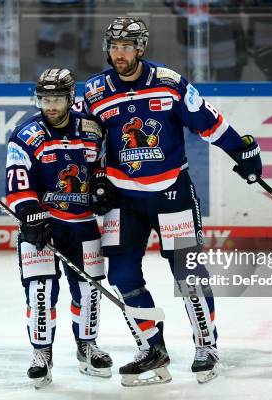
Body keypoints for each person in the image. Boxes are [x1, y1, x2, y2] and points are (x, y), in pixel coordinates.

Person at [82, 16, 262, 386]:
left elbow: (210, 122)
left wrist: (241, 151)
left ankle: (206, 346)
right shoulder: (94, 92)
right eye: (114, 47)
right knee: (122, 274)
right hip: (123, 200)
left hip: (172, 195)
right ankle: (152, 348)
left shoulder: (169, 83)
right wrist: (95, 180)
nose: (119, 54)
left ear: (141, 48)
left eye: (127, 47)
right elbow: (87, 145)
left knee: (188, 273)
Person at [5, 68, 113, 388]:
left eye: (56, 98)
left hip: (83, 226)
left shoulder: (92, 129)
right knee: (40, 292)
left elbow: (101, 168)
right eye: (44, 99)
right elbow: (17, 184)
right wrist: (29, 213)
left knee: (89, 291)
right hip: (42, 227)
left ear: (70, 98)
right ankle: (42, 353)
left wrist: (102, 186)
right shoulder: (25, 135)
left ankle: (87, 346)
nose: (50, 105)